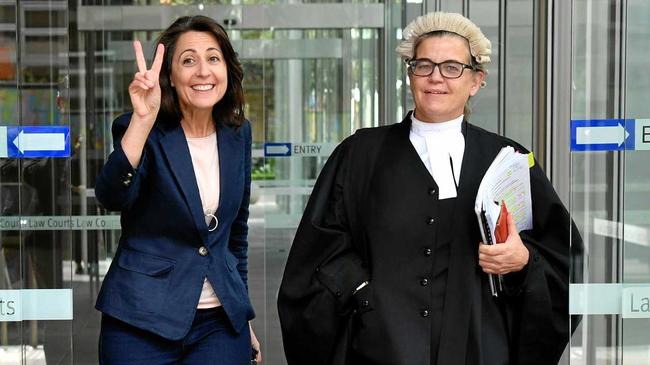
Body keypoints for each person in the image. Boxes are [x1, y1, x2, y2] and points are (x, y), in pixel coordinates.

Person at [278, 12, 580, 365]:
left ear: (476, 81)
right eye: (424, 65)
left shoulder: (507, 160)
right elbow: (318, 250)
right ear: (410, 74)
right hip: (380, 349)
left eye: (452, 67)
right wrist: (361, 294)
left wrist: (523, 261)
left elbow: (564, 258)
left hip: (478, 348)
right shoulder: (360, 154)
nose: (436, 77)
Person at [95, 15, 262, 364]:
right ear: (170, 76)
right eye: (188, 60)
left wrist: (241, 314)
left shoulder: (238, 133)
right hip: (140, 319)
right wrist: (143, 119)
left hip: (218, 323)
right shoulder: (141, 127)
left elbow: (236, 234)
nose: (203, 71)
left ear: (227, 69)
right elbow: (111, 196)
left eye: (213, 58)